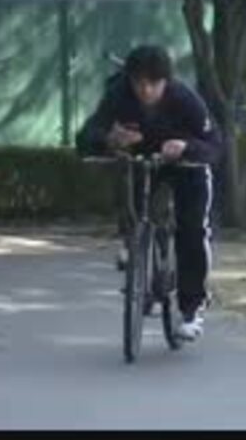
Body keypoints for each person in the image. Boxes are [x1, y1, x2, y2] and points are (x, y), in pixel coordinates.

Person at [76, 45, 222, 341]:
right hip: (144, 163)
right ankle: (136, 250)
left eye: (153, 83)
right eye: (138, 82)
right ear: (129, 80)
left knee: (192, 230)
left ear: (166, 81)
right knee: (128, 185)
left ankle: (192, 310)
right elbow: (85, 138)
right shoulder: (118, 95)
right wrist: (109, 139)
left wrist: (186, 147)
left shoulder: (185, 99)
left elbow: (215, 146)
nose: (145, 90)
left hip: (187, 166)